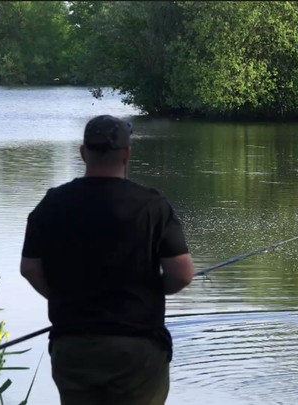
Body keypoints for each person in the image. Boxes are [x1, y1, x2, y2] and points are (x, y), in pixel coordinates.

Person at [20, 114, 194, 405]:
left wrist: (62, 294)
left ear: (83, 153)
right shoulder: (152, 205)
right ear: (127, 154)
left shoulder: (52, 203)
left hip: (72, 344)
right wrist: (149, 291)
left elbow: (29, 268)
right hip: (136, 347)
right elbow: (182, 274)